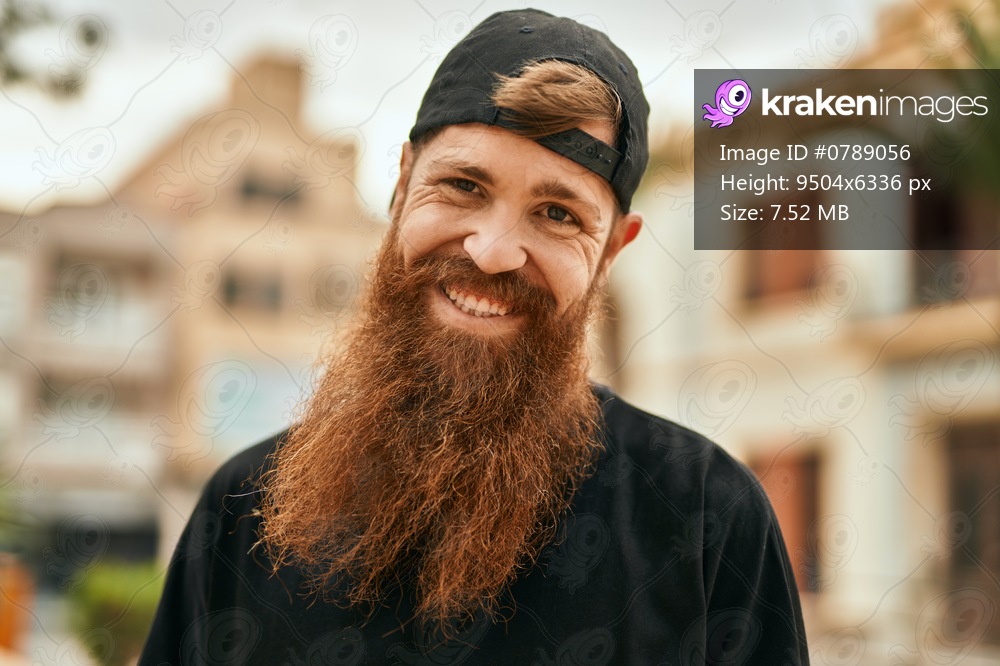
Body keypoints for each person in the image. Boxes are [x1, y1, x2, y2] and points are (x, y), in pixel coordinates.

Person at [140, 9, 809, 665]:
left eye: (557, 213)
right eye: (462, 185)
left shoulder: (707, 522)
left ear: (609, 252)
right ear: (403, 187)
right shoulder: (244, 511)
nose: (492, 252)